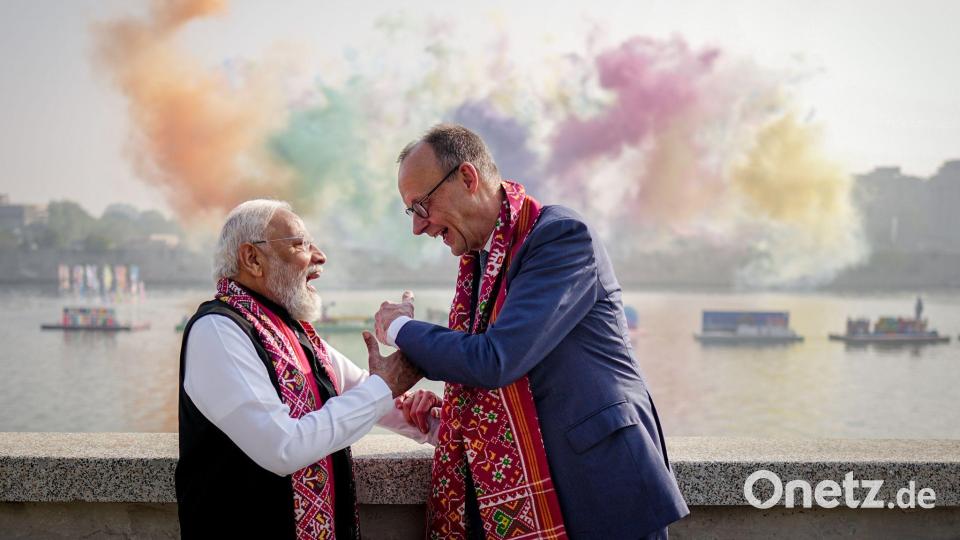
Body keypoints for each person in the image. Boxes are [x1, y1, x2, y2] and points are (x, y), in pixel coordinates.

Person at [372, 124, 689, 538]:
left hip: (602, 486)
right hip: (553, 484)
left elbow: (496, 358)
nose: (419, 227)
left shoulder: (560, 238)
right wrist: (448, 419)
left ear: (468, 178)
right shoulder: (482, 263)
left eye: (421, 206)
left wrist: (398, 326)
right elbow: (504, 375)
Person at [176, 199, 430, 539]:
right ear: (252, 259)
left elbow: (372, 396)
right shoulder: (218, 332)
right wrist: (385, 386)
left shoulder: (291, 332)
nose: (319, 256)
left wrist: (433, 420)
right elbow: (282, 448)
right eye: (300, 245)